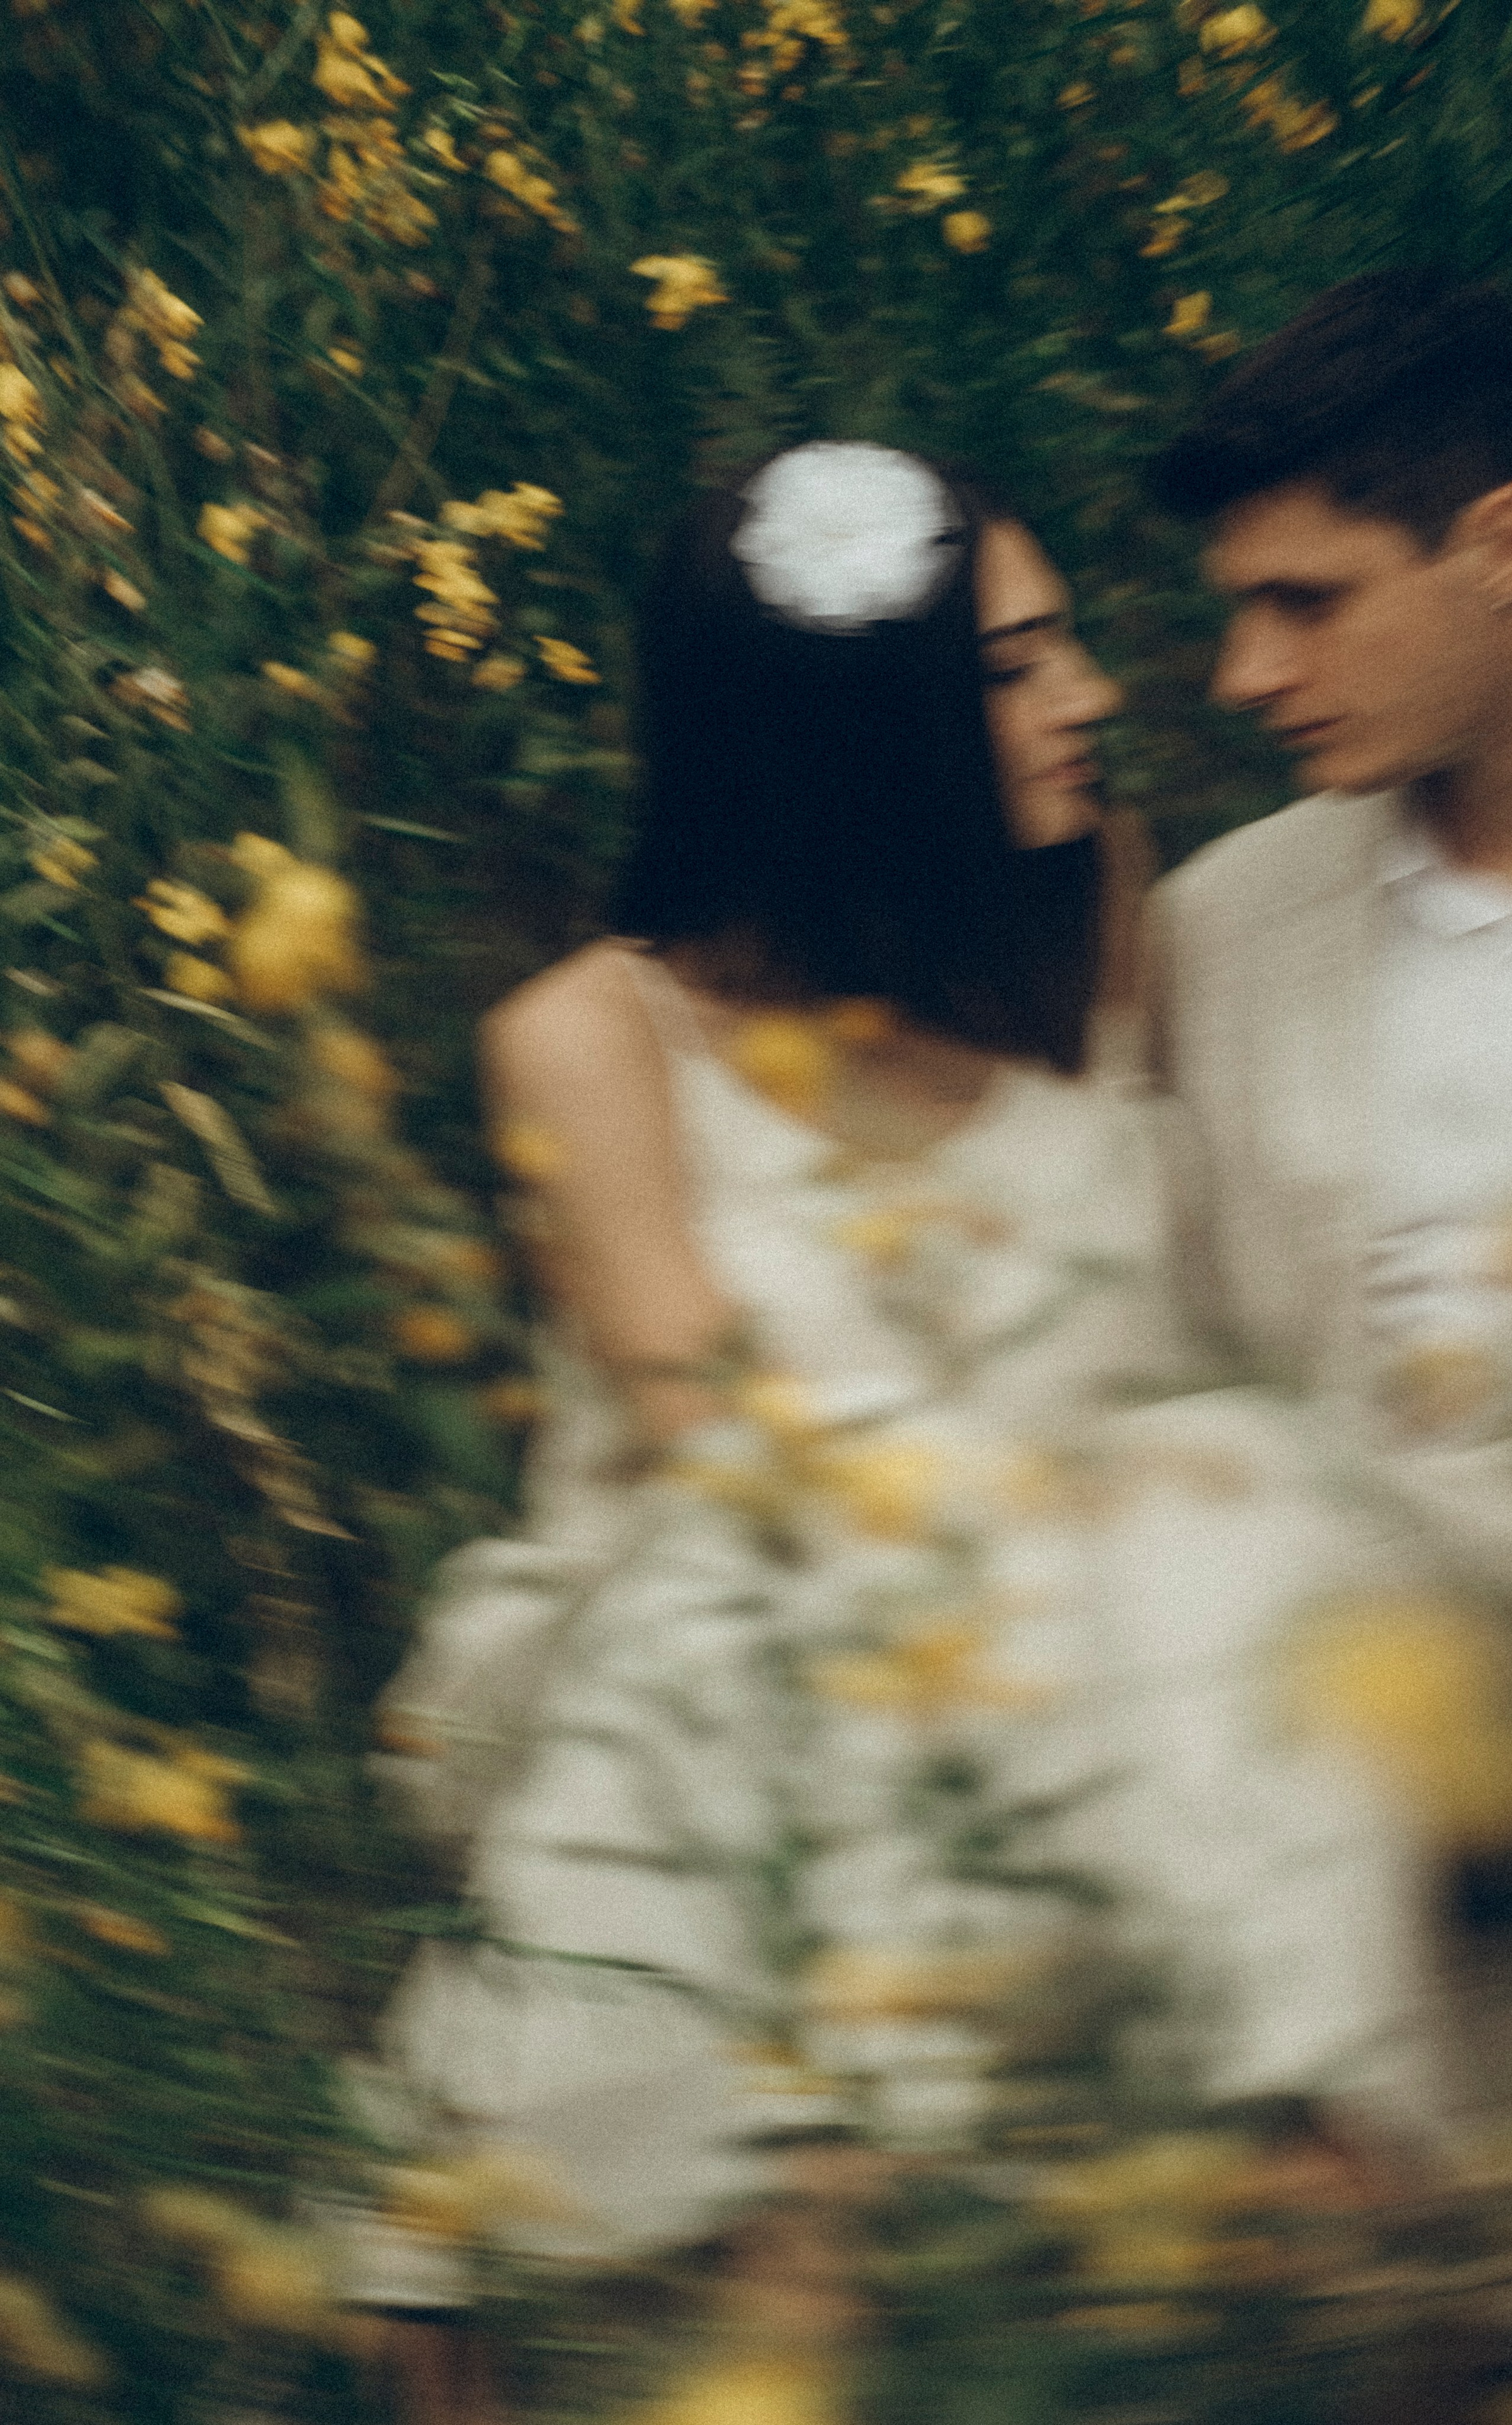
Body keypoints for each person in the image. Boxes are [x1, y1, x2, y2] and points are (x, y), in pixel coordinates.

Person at [355, 443, 1442, 2351]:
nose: (1091, 699)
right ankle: (819, 2206)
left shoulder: (1082, 931)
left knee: (1230, 1501)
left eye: (1066, 646)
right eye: (1014, 669)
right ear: (847, 735)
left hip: (1116, 1658)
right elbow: (715, 1442)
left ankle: (1310, 2167)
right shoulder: (594, 1035)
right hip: (731, 1652)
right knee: (811, 1596)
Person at [1144, 273, 1512, 1871]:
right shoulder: (1224, 924)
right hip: (1360, 1742)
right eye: (1238, 611)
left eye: (1306, 602)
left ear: (1507, 543)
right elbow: (1191, 1368)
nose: (1244, 672)